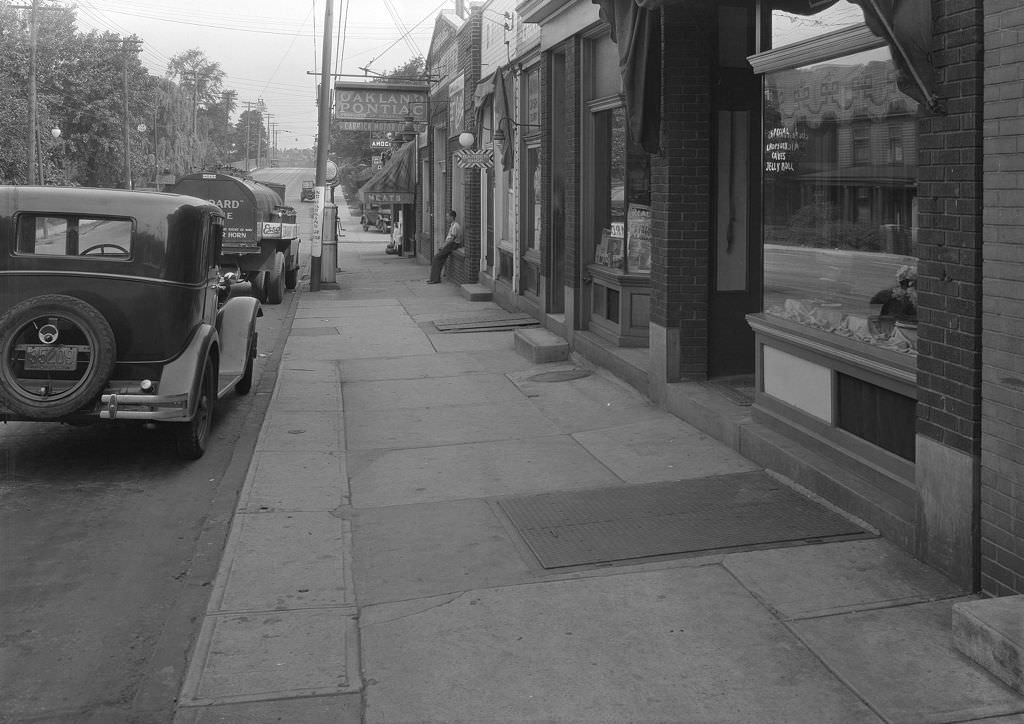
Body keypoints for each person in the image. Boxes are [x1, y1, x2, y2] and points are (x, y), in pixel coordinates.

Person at [426, 209, 462, 284]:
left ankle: (435, 279)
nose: (446, 218)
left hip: (452, 245)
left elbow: (452, 239)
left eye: (448, 216)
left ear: (452, 217)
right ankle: (435, 278)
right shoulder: (452, 225)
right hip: (450, 245)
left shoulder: (455, 226)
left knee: (436, 258)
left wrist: (443, 246)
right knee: (439, 260)